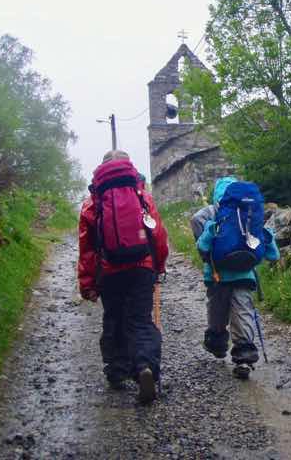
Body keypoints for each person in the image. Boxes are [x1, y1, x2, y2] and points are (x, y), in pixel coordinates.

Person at [78, 150, 169, 403]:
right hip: (142, 267)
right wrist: (158, 267)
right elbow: (158, 235)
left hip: (109, 270)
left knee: (114, 317)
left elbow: (86, 249)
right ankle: (144, 367)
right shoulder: (142, 196)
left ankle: (116, 371)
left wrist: (88, 284)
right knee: (140, 320)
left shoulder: (92, 203)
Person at [190, 176, 279, 372]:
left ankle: (217, 343)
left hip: (217, 275)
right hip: (244, 274)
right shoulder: (249, 214)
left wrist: (206, 253)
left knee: (217, 312)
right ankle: (244, 355)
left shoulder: (214, 214)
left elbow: (202, 244)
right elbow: (273, 253)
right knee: (243, 312)